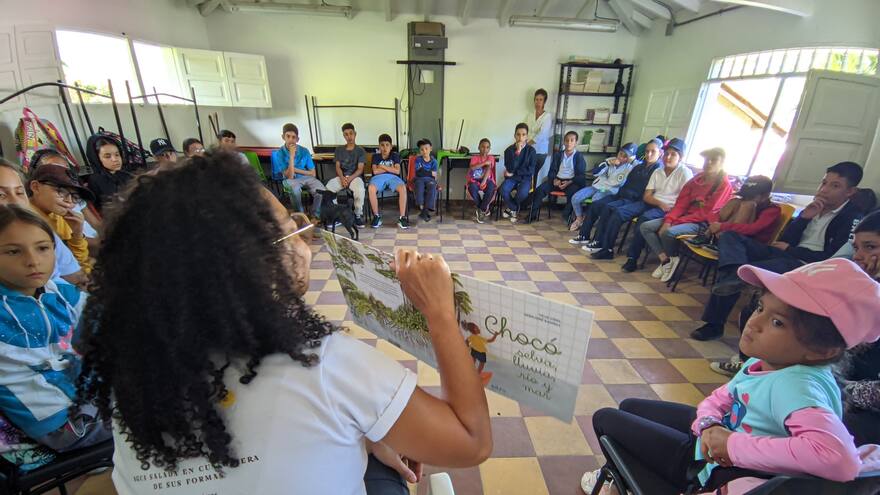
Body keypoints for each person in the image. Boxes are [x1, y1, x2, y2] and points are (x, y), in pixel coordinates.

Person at [75, 152, 492, 495]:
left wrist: (368, 433)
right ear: (247, 265)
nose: (304, 240)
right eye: (290, 232)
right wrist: (438, 312)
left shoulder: (134, 373)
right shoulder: (328, 366)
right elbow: (471, 443)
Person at [582, 258, 880, 495]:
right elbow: (722, 397)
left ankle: (620, 481)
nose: (754, 322)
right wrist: (708, 424)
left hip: (710, 467)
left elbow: (838, 460)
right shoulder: (770, 362)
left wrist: (730, 445)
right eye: (761, 307)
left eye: (777, 322)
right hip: (715, 438)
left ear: (821, 349)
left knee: (606, 417)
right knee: (632, 407)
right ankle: (621, 473)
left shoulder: (796, 386)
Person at [692, 161, 864, 341]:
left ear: (850, 192)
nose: (824, 190)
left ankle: (716, 319)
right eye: (823, 183)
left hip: (804, 265)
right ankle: (732, 278)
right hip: (783, 254)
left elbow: (831, 259)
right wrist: (803, 219)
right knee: (730, 237)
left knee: (743, 270)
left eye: (835, 186)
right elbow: (785, 239)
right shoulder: (815, 207)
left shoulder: (852, 218)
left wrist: (792, 250)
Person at [0, 204, 111, 452]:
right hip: (59, 422)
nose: (32, 261)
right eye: (13, 252)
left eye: (42, 248)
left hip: (88, 397)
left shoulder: (59, 292)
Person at [623, 147, 731, 280]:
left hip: (701, 223)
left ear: (722, 162)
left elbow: (706, 214)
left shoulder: (723, 185)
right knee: (645, 226)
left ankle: (671, 260)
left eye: (713, 160)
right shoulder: (697, 179)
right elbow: (681, 203)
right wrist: (669, 220)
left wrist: (673, 222)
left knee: (668, 232)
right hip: (682, 217)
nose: (708, 163)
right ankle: (666, 260)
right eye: (706, 160)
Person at [589, 138, 693, 261]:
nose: (668, 157)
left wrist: (665, 209)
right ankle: (607, 249)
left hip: (668, 209)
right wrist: (659, 202)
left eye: (673, 154)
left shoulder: (684, 173)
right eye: (667, 154)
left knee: (643, 220)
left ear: (680, 157)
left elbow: (685, 200)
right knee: (618, 212)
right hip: (652, 202)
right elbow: (647, 196)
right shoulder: (658, 171)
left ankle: (632, 258)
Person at [0, 158, 84, 287]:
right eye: (1, 195)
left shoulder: (41, 231)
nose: (16, 202)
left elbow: (78, 279)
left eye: (19, 192)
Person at [835, 210, 880, 447]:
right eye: (857, 248)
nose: (859, 257)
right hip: (848, 386)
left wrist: (837, 389)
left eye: (870, 247)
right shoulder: (867, 289)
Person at [569, 138, 663, 248]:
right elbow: (596, 172)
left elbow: (644, 190)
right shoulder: (639, 167)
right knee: (596, 204)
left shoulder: (655, 169)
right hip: (620, 194)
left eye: (653, 152)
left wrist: (630, 159)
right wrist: (608, 163)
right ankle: (584, 235)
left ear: (660, 153)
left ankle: (599, 241)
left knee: (608, 208)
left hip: (634, 200)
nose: (649, 154)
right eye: (647, 151)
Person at [28, 165, 96, 273]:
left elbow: (77, 263)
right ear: (36, 187)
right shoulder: (26, 221)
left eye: (75, 197)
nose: (69, 201)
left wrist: (77, 234)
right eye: (61, 191)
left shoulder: (60, 217)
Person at [568, 143, 638, 232]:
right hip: (597, 186)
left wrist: (631, 161)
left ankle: (588, 220)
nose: (621, 158)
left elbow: (640, 165)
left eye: (625, 156)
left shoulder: (631, 167)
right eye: (621, 154)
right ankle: (579, 218)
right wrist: (607, 163)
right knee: (575, 198)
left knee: (596, 199)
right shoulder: (609, 161)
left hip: (611, 190)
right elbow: (595, 172)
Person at [702, 175, 781, 246]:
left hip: (752, 243)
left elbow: (753, 229)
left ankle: (721, 240)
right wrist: (716, 225)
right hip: (728, 233)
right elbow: (714, 214)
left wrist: (722, 227)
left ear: (765, 196)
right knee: (735, 201)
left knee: (748, 205)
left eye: (751, 196)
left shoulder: (772, 210)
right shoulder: (740, 201)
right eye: (745, 196)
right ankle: (709, 236)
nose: (746, 198)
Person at [528, 131, 587, 222]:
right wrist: (554, 179)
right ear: (564, 142)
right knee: (540, 190)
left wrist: (569, 182)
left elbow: (581, 175)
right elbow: (552, 171)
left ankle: (567, 216)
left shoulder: (579, 156)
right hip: (557, 180)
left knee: (573, 194)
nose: (569, 143)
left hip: (571, 182)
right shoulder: (558, 155)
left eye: (572, 140)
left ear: (576, 142)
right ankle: (532, 215)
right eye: (567, 140)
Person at [270, 123, 325, 217]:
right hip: (290, 180)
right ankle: (301, 216)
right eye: (288, 136)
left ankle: (315, 215)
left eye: (293, 137)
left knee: (321, 190)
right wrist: (291, 156)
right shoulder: (280, 153)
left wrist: (295, 169)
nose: (291, 140)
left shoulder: (304, 151)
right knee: (295, 190)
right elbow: (289, 176)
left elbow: (313, 173)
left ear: (297, 139)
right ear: (283, 137)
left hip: (306, 177)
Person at [326, 123, 367, 228]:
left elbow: (360, 169)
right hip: (342, 177)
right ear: (344, 136)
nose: (349, 136)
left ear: (355, 134)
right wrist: (342, 178)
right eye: (346, 134)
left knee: (359, 191)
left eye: (351, 133)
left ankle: (358, 215)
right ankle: (336, 215)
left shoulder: (360, 150)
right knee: (328, 188)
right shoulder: (339, 150)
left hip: (355, 177)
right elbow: (338, 167)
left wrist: (349, 179)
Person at [367, 134, 408, 229]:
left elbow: (397, 171)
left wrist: (382, 166)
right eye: (382, 145)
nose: (385, 148)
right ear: (379, 146)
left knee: (402, 187)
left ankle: (402, 217)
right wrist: (390, 168)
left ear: (391, 146)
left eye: (387, 145)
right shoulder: (375, 156)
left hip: (393, 178)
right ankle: (376, 216)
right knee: (371, 188)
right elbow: (375, 171)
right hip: (378, 178)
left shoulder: (395, 156)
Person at [85, 136, 133, 211]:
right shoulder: (95, 180)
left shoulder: (127, 175)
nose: (115, 160)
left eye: (117, 155)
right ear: (97, 159)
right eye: (107, 156)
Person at [500, 123, 537, 223]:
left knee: (523, 193)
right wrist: (518, 152)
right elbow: (510, 168)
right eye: (518, 134)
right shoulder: (508, 150)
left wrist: (515, 173)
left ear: (527, 136)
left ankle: (511, 209)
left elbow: (531, 170)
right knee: (503, 190)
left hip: (525, 178)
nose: (521, 137)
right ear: (514, 135)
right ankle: (514, 208)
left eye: (524, 134)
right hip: (512, 178)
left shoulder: (532, 151)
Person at [525, 89, 554, 183]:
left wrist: (526, 144)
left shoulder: (547, 116)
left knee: (533, 173)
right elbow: (525, 130)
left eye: (541, 100)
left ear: (544, 101)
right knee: (528, 174)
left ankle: (531, 196)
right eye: (536, 99)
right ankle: (527, 196)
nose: (538, 102)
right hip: (529, 150)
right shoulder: (530, 115)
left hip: (540, 151)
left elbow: (542, 134)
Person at [467, 138, 497, 224]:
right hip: (474, 180)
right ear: (479, 147)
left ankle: (481, 209)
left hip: (487, 180)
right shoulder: (474, 158)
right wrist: (484, 163)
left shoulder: (491, 157)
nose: (485, 149)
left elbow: (488, 168)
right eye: (483, 147)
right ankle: (483, 209)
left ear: (489, 149)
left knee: (491, 187)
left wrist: (484, 182)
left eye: (487, 147)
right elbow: (472, 168)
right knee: (472, 188)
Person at [413, 139, 439, 223]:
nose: (424, 151)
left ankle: (425, 210)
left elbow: (434, 175)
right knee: (419, 184)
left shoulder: (434, 161)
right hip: (419, 179)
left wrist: (425, 172)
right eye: (422, 149)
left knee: (432, 186)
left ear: (430, 148)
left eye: (426, 148)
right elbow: (419, 173)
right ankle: (421, 205)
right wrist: (430, 173)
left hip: (430, 180)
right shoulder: (418, 160)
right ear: (419, 151)